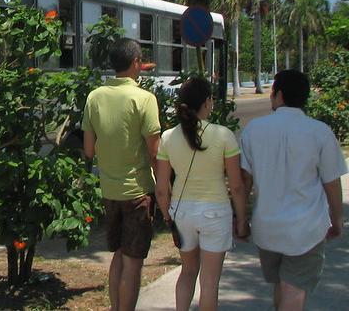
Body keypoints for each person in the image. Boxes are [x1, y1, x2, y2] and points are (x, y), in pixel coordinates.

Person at [240, 69, 346, 310]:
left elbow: (243, 182)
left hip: (266, 227)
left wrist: (241, 219)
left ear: (278, 95)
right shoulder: (320, 131)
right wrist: (337, 219)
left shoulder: (253, 130)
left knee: (281, 284)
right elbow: (331, 182)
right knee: (294, 288)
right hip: (306, 229)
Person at [155, 76, 248, 311]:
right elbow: (236, 186)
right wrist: (242, 220)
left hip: (181, 213)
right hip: (215, 213)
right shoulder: (223, 135)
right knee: (209, 282)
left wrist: (168, 218)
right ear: (207, 102)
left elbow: (161, 188)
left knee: (187, 273)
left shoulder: (167, 138)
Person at [83, 37, 161, 311]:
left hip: (109, 192)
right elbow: (155, 154)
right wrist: (163, 191)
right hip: (138, 193)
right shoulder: (144, 99)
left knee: (118, 254)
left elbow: (89, 149)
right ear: (136, 63)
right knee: (133, 261)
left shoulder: (94, 97)